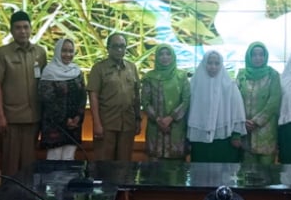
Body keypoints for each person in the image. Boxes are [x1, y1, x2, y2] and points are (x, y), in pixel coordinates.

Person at [0, 10, 47, 175]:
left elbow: (44, 84)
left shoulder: (40, 53)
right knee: (10, 165)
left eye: (26, 27)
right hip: (10, 119)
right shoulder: (1, 53)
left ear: (31, 29)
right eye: (18, 28)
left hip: (33, 118)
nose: (22, 31)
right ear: (11, 30)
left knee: (29, 165)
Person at [87, 33, 141, 161]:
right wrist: (97, 124)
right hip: (106, 124)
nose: (119, 50)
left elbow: (136, 96)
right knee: (104, 164)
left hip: (128, 123)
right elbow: (93, 96)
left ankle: (122, 182)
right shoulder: (99, 68)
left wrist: (138, 120)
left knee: (124, 163)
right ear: (108, 48)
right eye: (115, 46)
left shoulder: (132, 68)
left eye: (122, 46)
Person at [187, 51, 247, 163]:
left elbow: (238, 111)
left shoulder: (229, 85)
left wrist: (236, 134)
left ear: (221, 65)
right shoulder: (194, 85)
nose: (213, 67)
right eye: (210, 63)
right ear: (204, 63)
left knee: (223, 173)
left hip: (224, 138)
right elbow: (188, 110)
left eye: (217, 63)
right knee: (201, 172)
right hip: (200, 138)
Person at [38, 38, 87, 160]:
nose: (68, 54)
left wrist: (77, 118)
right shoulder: (49, 72)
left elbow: (82, 96)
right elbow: (48, 100)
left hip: (74, 126)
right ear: (57, 51)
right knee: (54, 160)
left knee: (69, 159)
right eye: (64, 51)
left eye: (71, 51)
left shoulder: (77, 71)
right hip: (54, 125)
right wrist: (65, 120)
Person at [141, 44, 191, 160]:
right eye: (161, 54)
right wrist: (158, 120)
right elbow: (145, 101)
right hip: (155, 126)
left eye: (168, 54)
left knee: (176, 168)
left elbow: (186, 100)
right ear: (156, 57)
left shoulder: (181, 76)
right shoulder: (149, 77)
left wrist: (171, 118)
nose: (165, 57)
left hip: (176, 127)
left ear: (173, 56)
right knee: (155, 169)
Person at [235, 42, 281, 165]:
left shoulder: (273, 75)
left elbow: (274, 101)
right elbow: (235, 99)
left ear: (265, 57)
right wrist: (242, 121)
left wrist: (256, 121)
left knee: (266, 173)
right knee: (246, 174)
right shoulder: (241, 75)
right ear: (249, 57)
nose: (258, 58)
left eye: (261, 55)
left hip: (265, 130)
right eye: (254, 55)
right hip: (245, 130)